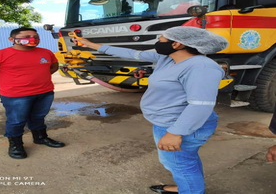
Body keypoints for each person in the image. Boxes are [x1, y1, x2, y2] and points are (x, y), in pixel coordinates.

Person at [73, 26, 229, 194]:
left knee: (180, 164)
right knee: (184, 161)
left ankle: (190, 189)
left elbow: (200, 105)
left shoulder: (201, 67)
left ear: (177, 44)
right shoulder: (168, 58)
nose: (158, 42)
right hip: (167, 122)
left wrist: (175, 133)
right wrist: (90, 45)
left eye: (161, 39)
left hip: (179, 126)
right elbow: (132, 54)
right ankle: (186, 187)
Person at [0, 27, 65, 159]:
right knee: (16, 121)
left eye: (35, 36)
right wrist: (3, 83)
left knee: (38, 117)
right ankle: (16, 145)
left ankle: (40, 138)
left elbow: (53, 67)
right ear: (12, 39)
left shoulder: (46, 52)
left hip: (44, 93)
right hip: (16, 96)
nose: (33, 39)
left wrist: (39, 78)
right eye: (27, 36)